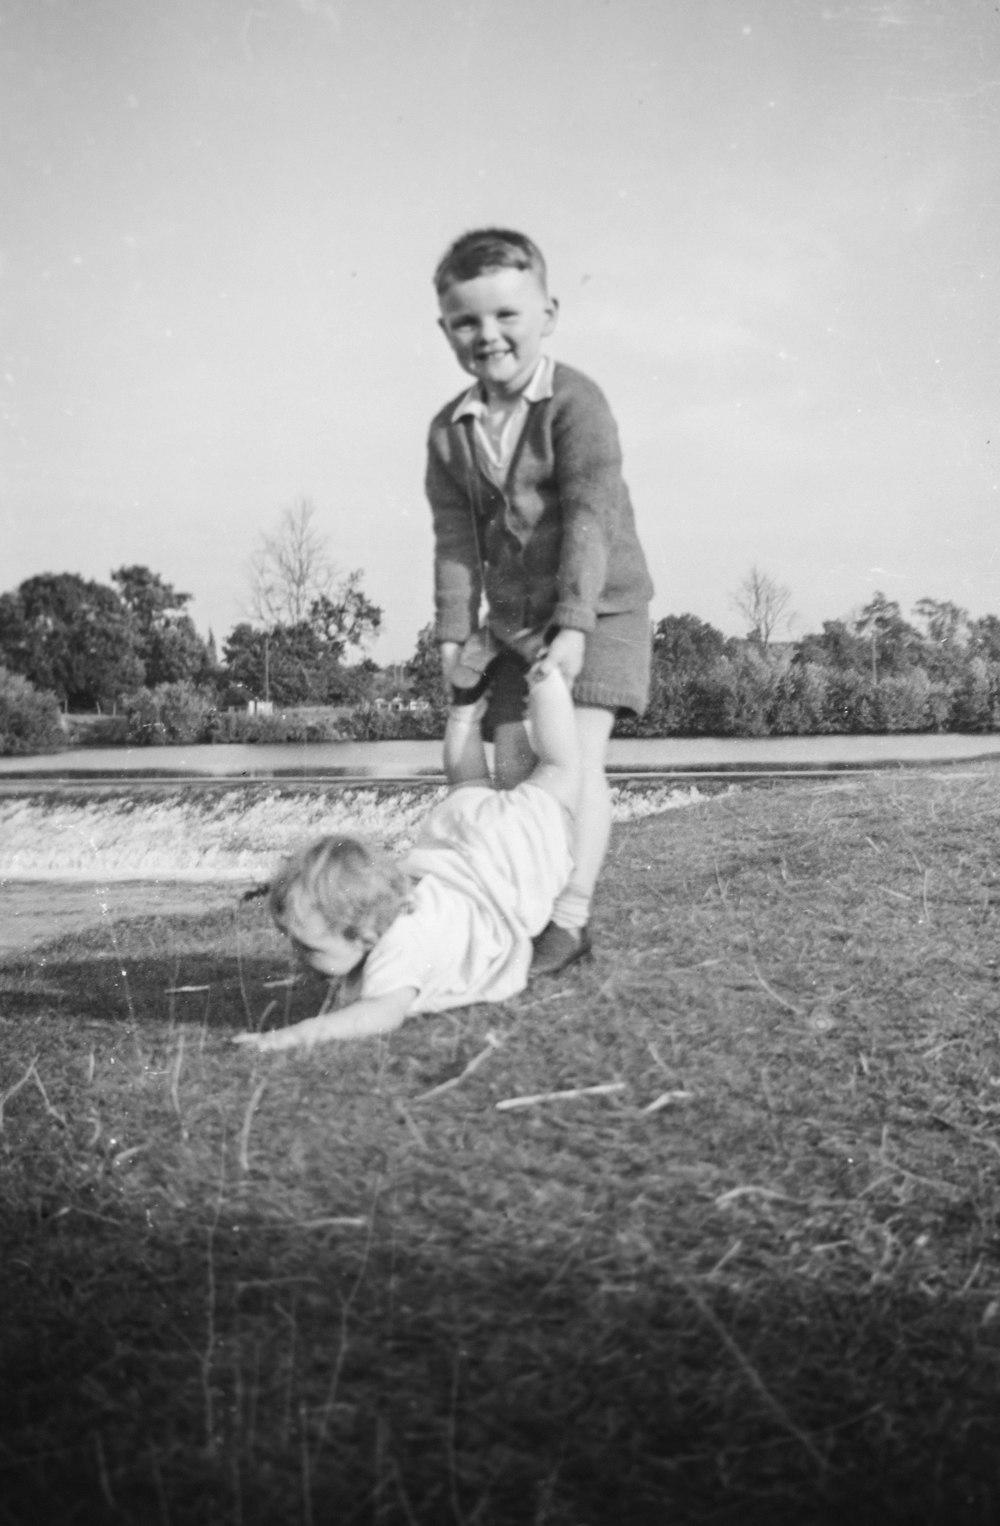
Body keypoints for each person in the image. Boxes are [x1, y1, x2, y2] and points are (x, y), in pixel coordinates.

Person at [427, 226, 654, 977]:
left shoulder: (575, 404)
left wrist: (578, 625)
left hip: (601, 608)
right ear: (446, 329)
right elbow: (457, 538)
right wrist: (454, 636)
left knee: (576, 760)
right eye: (467, 321)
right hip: (513, 626)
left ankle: (570, 918)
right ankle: (520, 909)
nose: (487, 336)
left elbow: (592, 516)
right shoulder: (449, 431)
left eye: (506, 316)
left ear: (548, 314)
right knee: (519, 768)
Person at [231, 666, 579, 1052]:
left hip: (503, 863)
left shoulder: (396, 952)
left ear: (365, 934)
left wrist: (292, 1035)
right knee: (470, 783)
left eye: (310, 948)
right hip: (460, 844)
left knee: (557, 772)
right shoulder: (383, 908)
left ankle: (540, 674)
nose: (298, 959)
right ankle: (475, 703)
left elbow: (381, 1014)